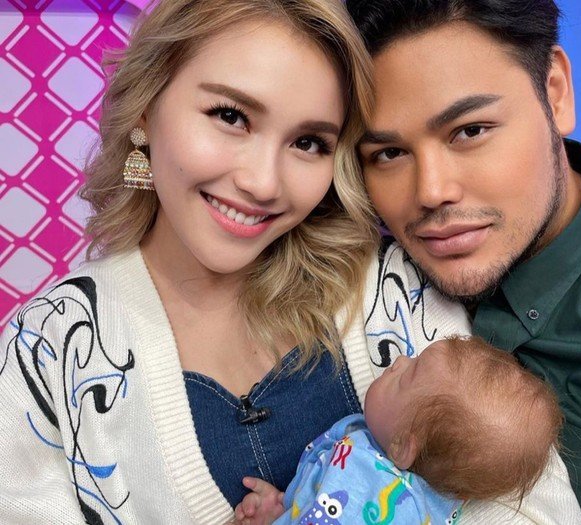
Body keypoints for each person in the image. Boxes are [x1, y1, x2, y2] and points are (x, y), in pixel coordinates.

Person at [0, 0, 379, 522]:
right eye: (231, 116)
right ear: (145, 108)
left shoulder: (388, 292)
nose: (263, 183)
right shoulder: (51, 348)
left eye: (308, 142)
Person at [344, 0, 581, 523]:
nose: (431, 192)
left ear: (555, 92)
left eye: (470, 131)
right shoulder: (368, 277)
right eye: (389, 154)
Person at [233, 336, 563, 525]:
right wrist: (285, 506)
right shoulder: (433, 495)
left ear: (403, 448)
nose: (400, 360)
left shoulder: (367, 482)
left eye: (407, 376)